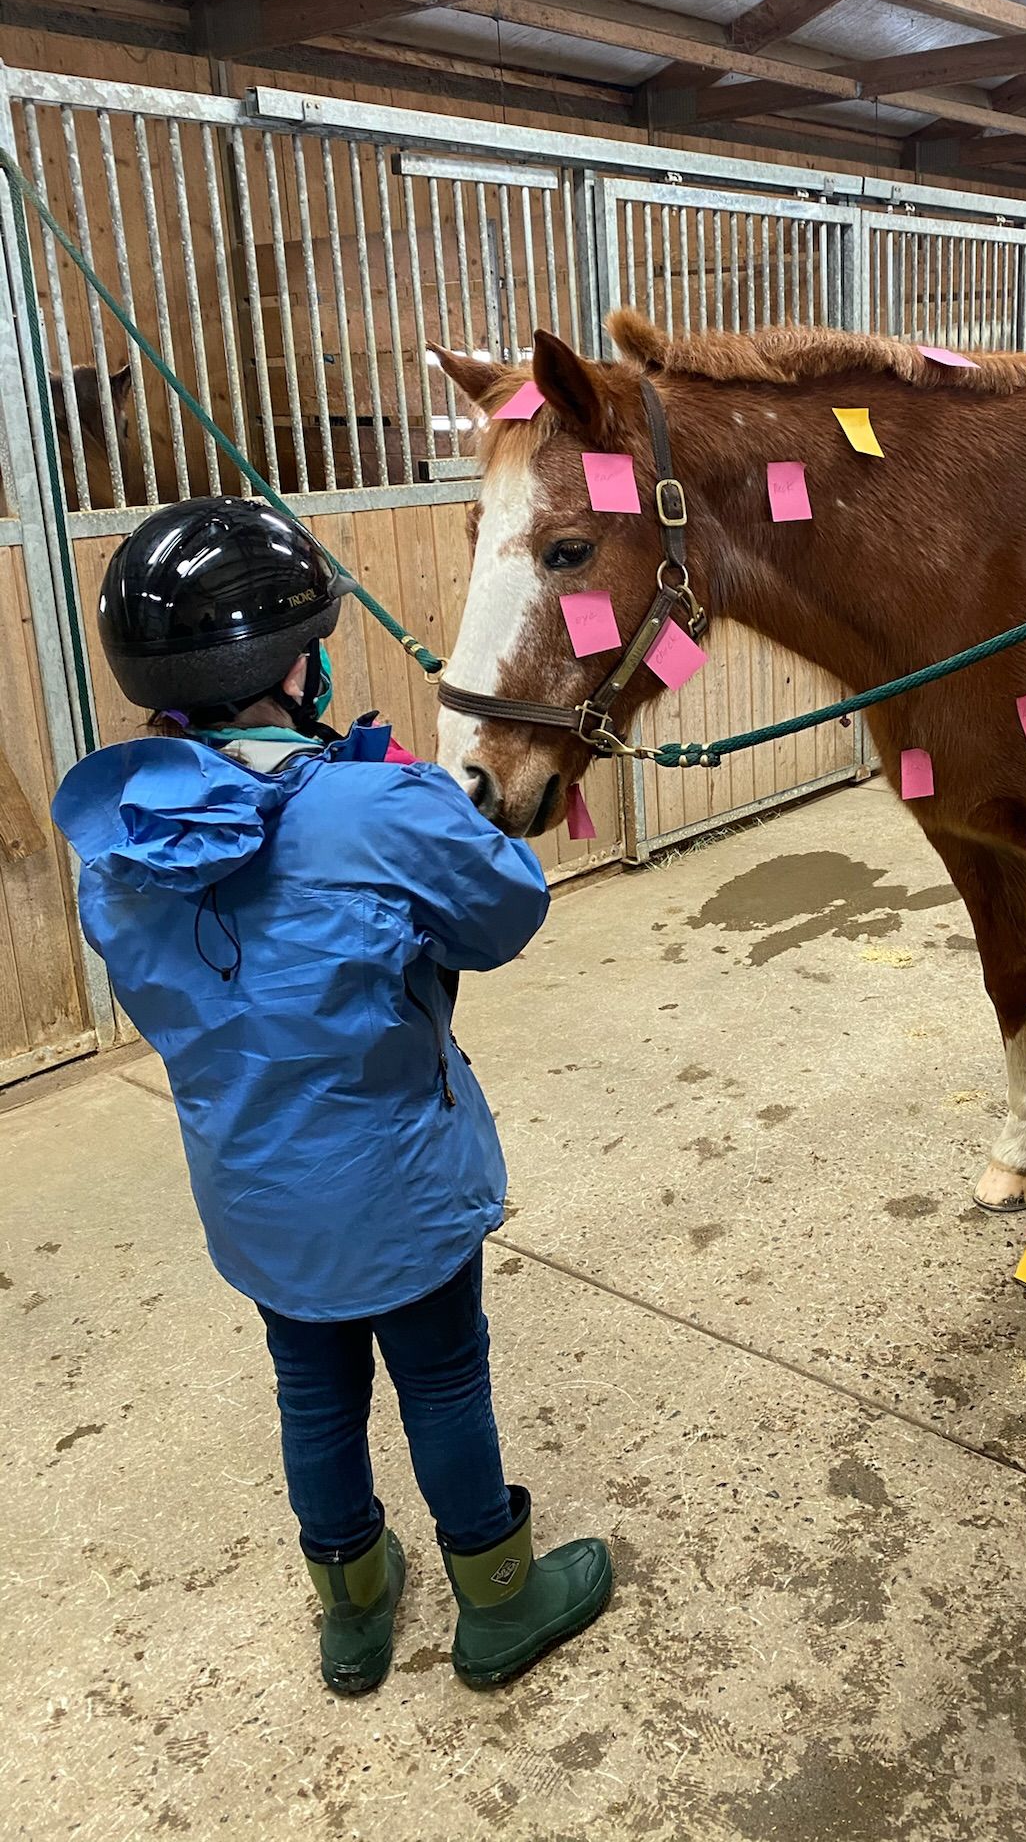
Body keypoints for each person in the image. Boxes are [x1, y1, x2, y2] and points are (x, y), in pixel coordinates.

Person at [52, 497, 611, 1696]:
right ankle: (498, 1603)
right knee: (444, 1375)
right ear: (297, 662)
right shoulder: (377, 805)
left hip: (256, 1196)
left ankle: (353, 1615)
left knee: (313, 1390)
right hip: (399, 1188)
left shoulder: (121, 839)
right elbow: (506, 907)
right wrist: (410, 815)